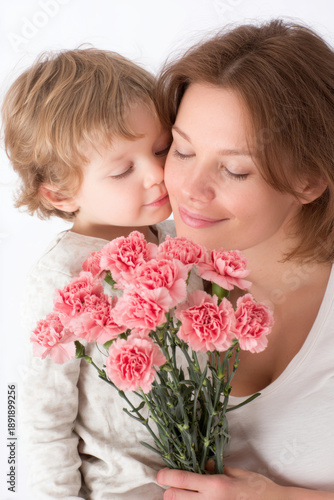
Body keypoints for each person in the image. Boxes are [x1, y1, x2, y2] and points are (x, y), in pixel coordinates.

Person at [154, 19, 334, 499]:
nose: (190, 192)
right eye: (183, 150)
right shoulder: (137, 274)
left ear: (309, 181)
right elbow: (26, 435)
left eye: (234, 170)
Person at [1, 48, 174, 499]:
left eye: (161, 149)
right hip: (124, 488)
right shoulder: (61, 276)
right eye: (123, 170)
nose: (157, 174)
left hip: (204, 468)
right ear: (60, 194)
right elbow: (34, 416)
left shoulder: (181, 238)